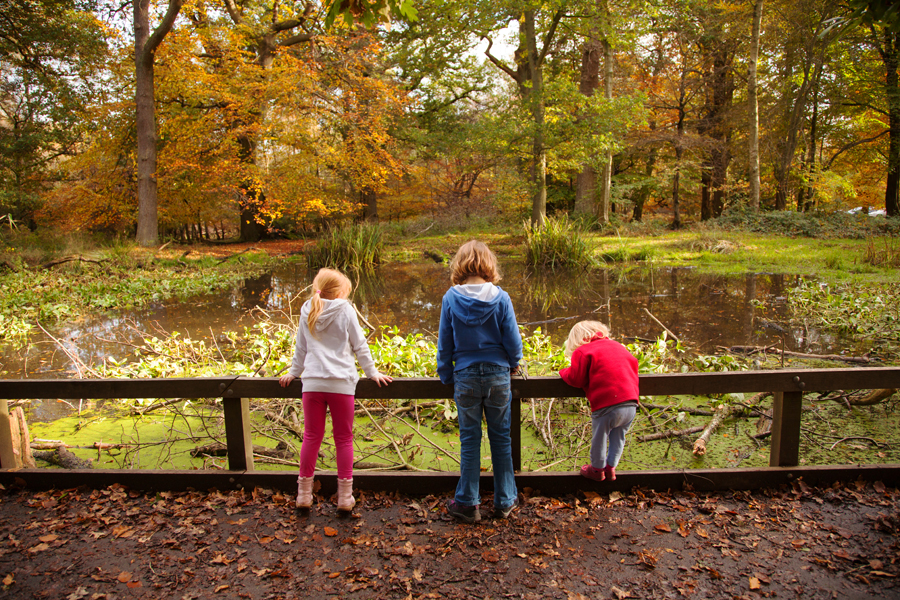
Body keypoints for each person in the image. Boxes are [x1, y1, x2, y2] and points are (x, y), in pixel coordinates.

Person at [279, 268, 391, 512]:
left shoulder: (307, 308)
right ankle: (344, 498)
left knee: (311, 437)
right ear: (341, 292)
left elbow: (301, 346)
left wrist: (294, 372)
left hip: (312, 385)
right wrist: (372, 373)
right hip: (341, 384)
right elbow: (360, 345)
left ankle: (304, 496)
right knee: (343, 439)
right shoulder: (345, 309)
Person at [437, 240, 523, 523]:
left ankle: (467, 503)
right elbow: (512, 340)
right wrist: (514, 363)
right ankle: (505, 501)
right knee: (501, 438)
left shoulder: (451, 298)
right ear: (489, 265)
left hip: (465, 375)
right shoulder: (501, 297)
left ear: (459, 265)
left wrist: (446, 374)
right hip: (498, 375)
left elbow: (445, 343)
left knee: (470, 440)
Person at [559, 320, 639, 482]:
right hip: (630, 402)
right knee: (619, 436)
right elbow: (633, 365)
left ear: (577, 339)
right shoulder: (619, 346)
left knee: (600, 437)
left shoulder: (583, 351)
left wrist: (563, 372)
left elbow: (576, 379)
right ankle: (611, 468)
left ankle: (596, 469)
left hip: (606, 404)